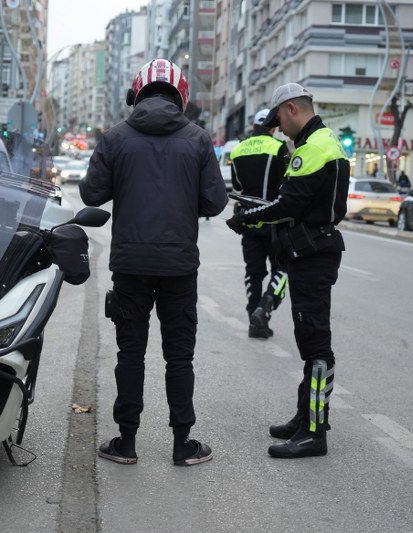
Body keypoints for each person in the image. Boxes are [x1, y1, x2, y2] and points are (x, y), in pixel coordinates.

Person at [79, 58, 228, 466]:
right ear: (180, 95)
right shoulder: (198, 140)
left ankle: (126, 443)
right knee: (178, 357)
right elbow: (216, 201)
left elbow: (91, 195)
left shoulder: (115, 138)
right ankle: (183, 445)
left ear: (137, 94)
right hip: (180, 268)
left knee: (131, 354)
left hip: (130, 265)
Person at [227, 83, 349, 459]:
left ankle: (314, 432)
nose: (278, 126)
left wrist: (247, 219)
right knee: (310, 340)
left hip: (313, 254)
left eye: (280, 117)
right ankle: (305, 417)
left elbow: (287, 204)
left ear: (292, 108)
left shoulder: (311, 150)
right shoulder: (328, 142)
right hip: (315, 249)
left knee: (315, 346)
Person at [228, 109, 289, 339]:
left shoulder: (238, 150)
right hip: (274, 221)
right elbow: (286, 183)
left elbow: (237, 184)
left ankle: (253, 315)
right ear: (272, 127)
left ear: (253, 126)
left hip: (248, 220)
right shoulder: (278, 148)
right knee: (282, 270)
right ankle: (265, 308)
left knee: (253, 273)